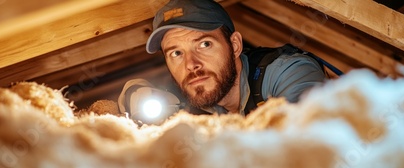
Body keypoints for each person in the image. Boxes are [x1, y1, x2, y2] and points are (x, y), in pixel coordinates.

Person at [124, 0, 325, 116]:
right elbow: (130, 93)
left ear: (235, 45)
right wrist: (135, 90)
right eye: (176, 53)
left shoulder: (287, 71)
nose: (191, 65)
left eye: (204, 44)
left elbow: (304, 137)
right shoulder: (199, 97)